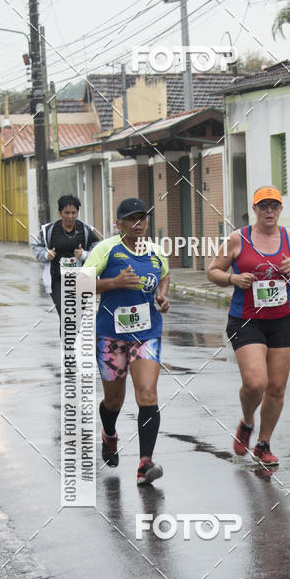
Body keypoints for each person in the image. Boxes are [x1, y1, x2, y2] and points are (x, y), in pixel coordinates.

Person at [207, 186, 290, 465]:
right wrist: (233, 279)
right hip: (246, 320)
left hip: (282, 321)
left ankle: (263, 444)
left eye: (274, 206)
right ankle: (247, 421)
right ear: (254, 209)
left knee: (276, 388)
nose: (269, 211)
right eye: (263, 206)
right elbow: (213, 271)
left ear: (281, 209)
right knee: (256, 383)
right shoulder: (237, 239)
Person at [83, 198, 170, 485]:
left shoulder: (156, 252)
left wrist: (161, 295)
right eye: (131, 218)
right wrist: (113, 283)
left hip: (146, 333)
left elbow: (165, 276)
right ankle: (109, 434)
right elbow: (79, 283)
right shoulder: (105, 249)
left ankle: (145, 463)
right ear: (118, 223)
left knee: (147, 393)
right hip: (111, 336)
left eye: (142, 218)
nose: (138, 223)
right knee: (114, 399)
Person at [31, 194, 101, 319]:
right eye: (66, 213)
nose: (70, 216)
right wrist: (46, 255)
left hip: (82, 279)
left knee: (81, 316)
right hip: (58, 280)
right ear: (59, 212)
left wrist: (84, 255)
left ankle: (75, 339)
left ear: (78, 213)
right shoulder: (49, 230)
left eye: (73, 213)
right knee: (66, 315)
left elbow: (100, 251)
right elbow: (37, 246)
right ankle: (69, 338)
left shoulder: (86, 230)